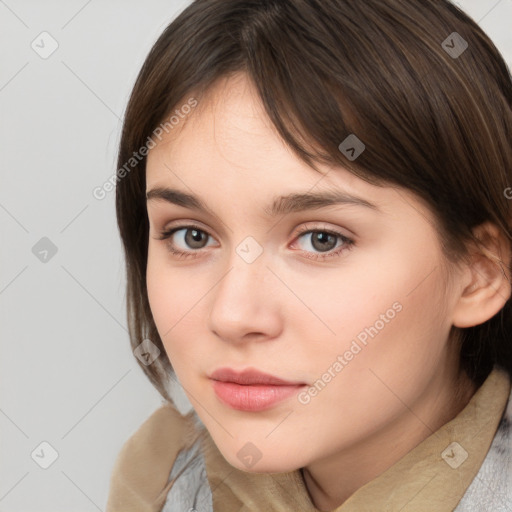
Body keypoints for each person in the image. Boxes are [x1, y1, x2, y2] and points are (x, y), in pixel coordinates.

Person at [106, 0, 512, 510]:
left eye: (322, 239)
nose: (232, 316)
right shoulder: (158, 479)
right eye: (191, 235)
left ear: (480, 273)